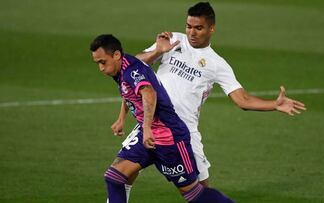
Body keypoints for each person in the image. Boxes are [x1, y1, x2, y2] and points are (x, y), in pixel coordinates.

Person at [113, 2, 306, 202]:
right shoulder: (173, 40)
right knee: (118, 175)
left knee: (199, 193)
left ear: (211, 29)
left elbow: (243, 100)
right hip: (152, 124)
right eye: (189, 26)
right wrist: (158, 51)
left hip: (184, 131)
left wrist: (274, 104)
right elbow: (134, 70)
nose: (192, 32)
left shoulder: (217, 64)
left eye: (198, 28)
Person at [90, 34, 235, 203]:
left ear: (116, 55)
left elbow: (149, 94)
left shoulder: (132, 70)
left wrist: (146, 128)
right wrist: (121, 118)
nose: (100, 68)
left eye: (102, 62)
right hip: (149, 136)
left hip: (169, 137)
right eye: (97, 63)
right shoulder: (122, 67)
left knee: (194, 194)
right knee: (114, 177)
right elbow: (129, 91)